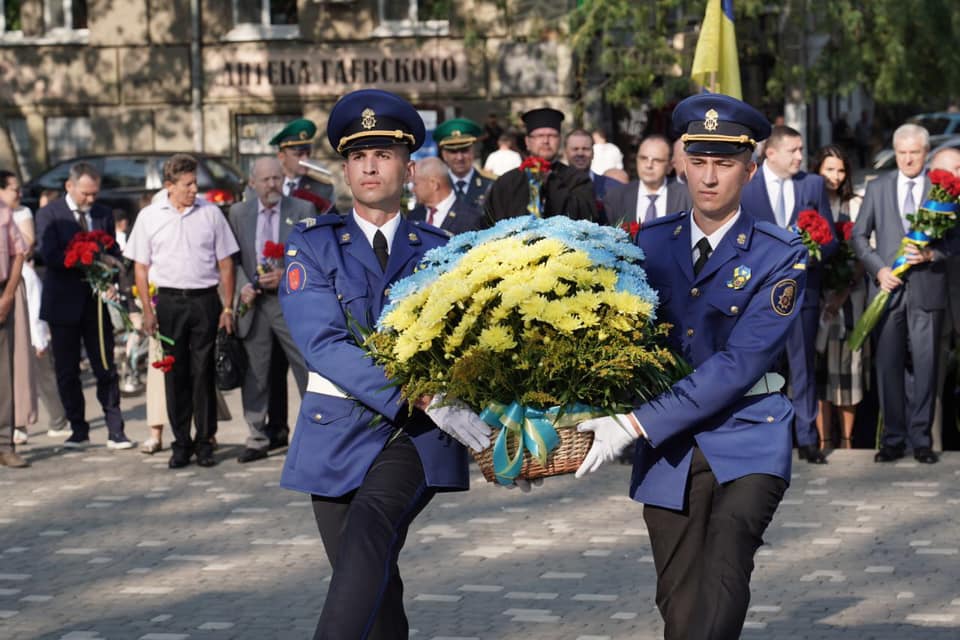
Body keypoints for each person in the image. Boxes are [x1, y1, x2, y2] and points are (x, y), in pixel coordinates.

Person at [575, 93, 807, 640]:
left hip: (748, 435)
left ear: (749, 171)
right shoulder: (647, 245)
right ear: (680, 162)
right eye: (698, 161)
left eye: (724, 164)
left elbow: (738, 363)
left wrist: (631, 424)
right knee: (679, 605)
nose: (708, 177)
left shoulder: (780, 254)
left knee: (724, 578)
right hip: (671, 452)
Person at [278, 89, 479, 639]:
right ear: (345, 167)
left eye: (384, 153)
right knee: (370, 579)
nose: (370, 165)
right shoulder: (313, 245)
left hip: (416, 433)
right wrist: (413, 390)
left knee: (369, 530)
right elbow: (323, 342)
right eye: (359, 155)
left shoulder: (441, 248)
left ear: (407, 167)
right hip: (336, 434)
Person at [124, 153, 238, 469]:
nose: (193, 191)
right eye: (187, 185)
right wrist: (147, 310)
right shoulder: (149, 217)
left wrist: (227, 306)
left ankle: (205, 442)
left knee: (202, 373)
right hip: (170, 304)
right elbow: (141, 268)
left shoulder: (211, 213)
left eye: (195, 184)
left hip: (204, 301)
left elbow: (226, 263)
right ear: (169, 185)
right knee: (175, 374)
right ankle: (181, 443)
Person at [852, 124, 953, 465]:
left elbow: (955, 241)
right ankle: (893, 439)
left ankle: (921, 440)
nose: (908, 159)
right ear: (894, 153)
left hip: (927, 289)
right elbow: (859, 237)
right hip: (887, 290)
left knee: (926, 367)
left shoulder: (941, 190)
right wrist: (879, 269)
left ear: (926, 154)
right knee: (888, 366)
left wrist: (931, 255)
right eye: (902, 153)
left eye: (915, 152)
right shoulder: (877, 187)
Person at [741, 125, 837, 463]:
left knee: (803, 367)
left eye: (801, 150)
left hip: (802, 294)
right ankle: (763, 436)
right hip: (759, 298)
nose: (800, 156)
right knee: (760, 368)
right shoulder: (747, 187)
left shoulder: (810, 184)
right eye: (794, 150)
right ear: (771, 153)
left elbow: (831, 237)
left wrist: (811, 252)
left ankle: (807, 437)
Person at [35, 163, 135, 450]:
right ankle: (78, 428)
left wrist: (113, 273)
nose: (90, 200)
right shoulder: (49, 214)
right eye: (85, 194)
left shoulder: (103, 214)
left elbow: (113, 252)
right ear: (70, 187)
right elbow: (50, 255)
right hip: (63, 302)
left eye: (94, 194)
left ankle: (116, 430)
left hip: (96, 304)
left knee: (105, 365)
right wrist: (88, 261)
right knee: (67, 370)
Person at [229, 157, 313, 463]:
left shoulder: (302, 211)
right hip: (254, 302)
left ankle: (314, 435)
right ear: (253, 183)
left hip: (289, 301)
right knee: (256, 370)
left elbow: (311, 256)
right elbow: (231, 258)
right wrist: (241, 287)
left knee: (305, 367)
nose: (271, 185)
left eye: (277, 178)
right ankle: (256, 435)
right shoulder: (238, 213)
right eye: (265, 180)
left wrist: (287, 274)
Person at [812, 145, 866, 449]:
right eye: (829, 169)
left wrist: (844, 289)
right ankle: (824, 439)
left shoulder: (856, 204)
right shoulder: (809, 203)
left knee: (848, 368)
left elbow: (864, 252)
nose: (834, 176)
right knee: (820, 370)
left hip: (849, 298)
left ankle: (847, 441)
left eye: (840, 170)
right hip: (816, 296)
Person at [485, 108, 597, 223]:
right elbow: (490, 222)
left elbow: (587, 218)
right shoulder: (506, 182)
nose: (546, 141)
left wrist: (553, 183)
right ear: (527, 142)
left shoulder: (578, 180)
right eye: (539, 136)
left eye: (552, 136)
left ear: (559, 140)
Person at [603, 134, 693, 227]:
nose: (649, 165)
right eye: (643, 158)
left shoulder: (687, 196)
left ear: (669, 166)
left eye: (657, 160)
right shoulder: (616, 197)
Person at [0, 194, 29, 467]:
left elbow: (18, 252)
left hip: (1, 294)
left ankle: (4, 444)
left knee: (3, 374)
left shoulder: (4, 211)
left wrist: (8, 296)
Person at [270, 118, 336, 213]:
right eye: (298, 154)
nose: (305, 159)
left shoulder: (322, 188)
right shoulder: (269, 184)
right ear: (281, 157)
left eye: (308, 154)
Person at [408, 157, 486, 234]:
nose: (412, 190)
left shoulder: (470, 218)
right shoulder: (413, 216)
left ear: (434, 184)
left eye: (415, 184)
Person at [434, 117, 495, 210]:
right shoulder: (435, 186)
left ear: (473, 151)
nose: (459, 157)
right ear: (444, 155)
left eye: (464, 150)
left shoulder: (491, 184)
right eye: (453, 152)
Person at [564, 128, 620, 220]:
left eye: (585, 149)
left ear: (593, 153)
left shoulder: (613, 188)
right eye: (575, 149)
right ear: (566, 152)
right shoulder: (555, 186)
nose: (580, 153)